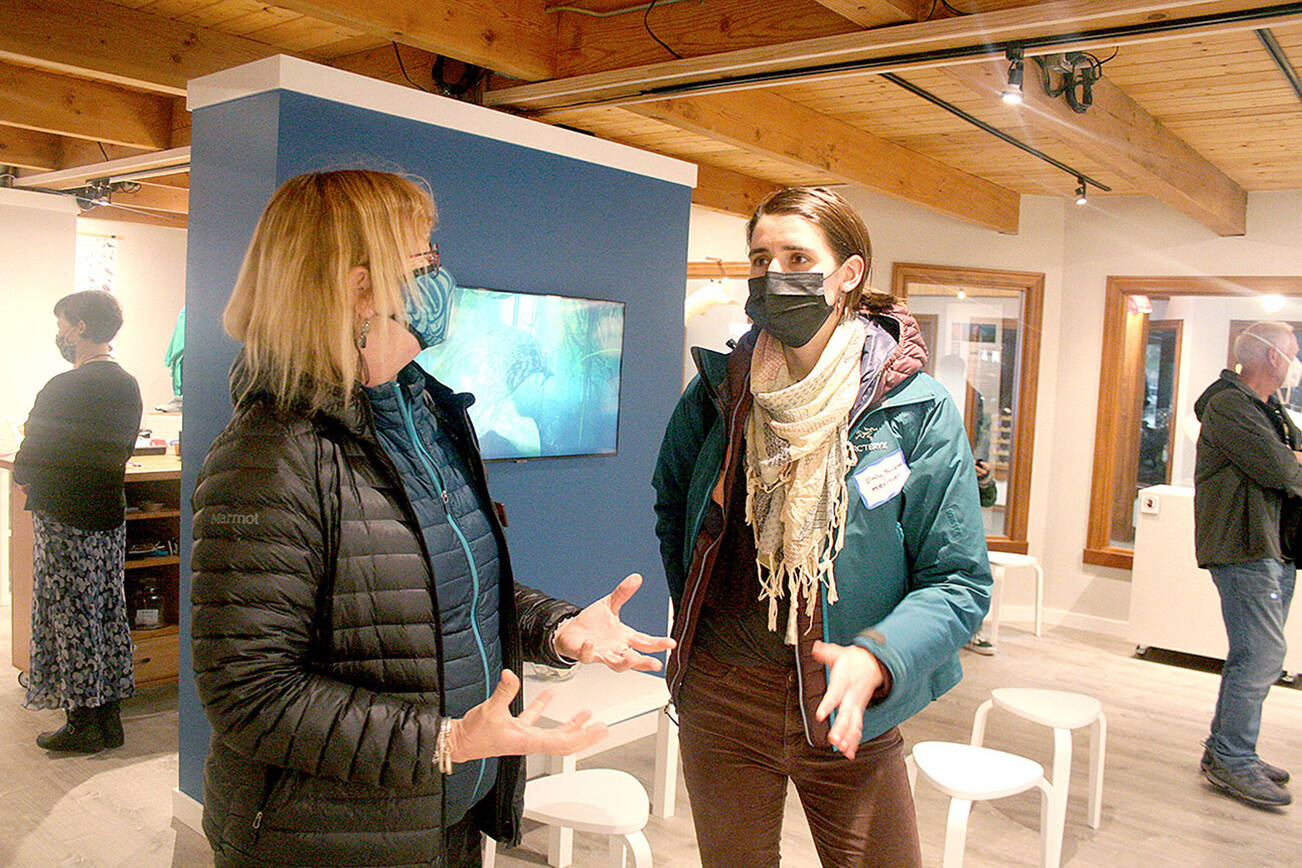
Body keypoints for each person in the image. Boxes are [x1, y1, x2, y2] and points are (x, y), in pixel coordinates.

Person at [191, 169, 673, 867]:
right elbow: (251, 693)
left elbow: (444, 593)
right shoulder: (270, 456)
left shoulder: (425, 412)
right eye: (426, 259)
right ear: (360, 287)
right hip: (328, 839)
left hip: (442, 817)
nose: (440, 275)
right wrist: (442, 740)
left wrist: (557, 628)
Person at [653, 187, 991, 866]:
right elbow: (675, 511)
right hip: (723, 695)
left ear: (849, 273)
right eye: (761, 257)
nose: (775, 274)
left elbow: (958, 582)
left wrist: (877, 656)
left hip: (848, 701)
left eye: (798, 256)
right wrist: (702, 620)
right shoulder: (722, 391)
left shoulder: (916, 410)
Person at [13, 290, 143, 753]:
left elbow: (29, 456)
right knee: (105, 611)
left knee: (70, 616)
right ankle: (109, 719)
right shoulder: (127, 383)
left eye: (63, 323)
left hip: (66, 516)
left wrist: (31, 478)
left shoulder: (64, 386)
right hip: (108, 513)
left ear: (82, 328)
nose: (60, 333)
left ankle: (82, 722)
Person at [1193, 321, 1300, 809]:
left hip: (1272, 548)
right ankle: (1231, 758)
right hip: (1245, 547)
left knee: (1255, 656)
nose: (1295, 363)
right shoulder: (1231, 405)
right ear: (1274, 359)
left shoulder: (1265, 408)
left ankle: (1232, 749)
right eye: (1293, 353)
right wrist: (1290, 458)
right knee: (1261, 657)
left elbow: (1290, 459)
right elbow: (1283, 470)